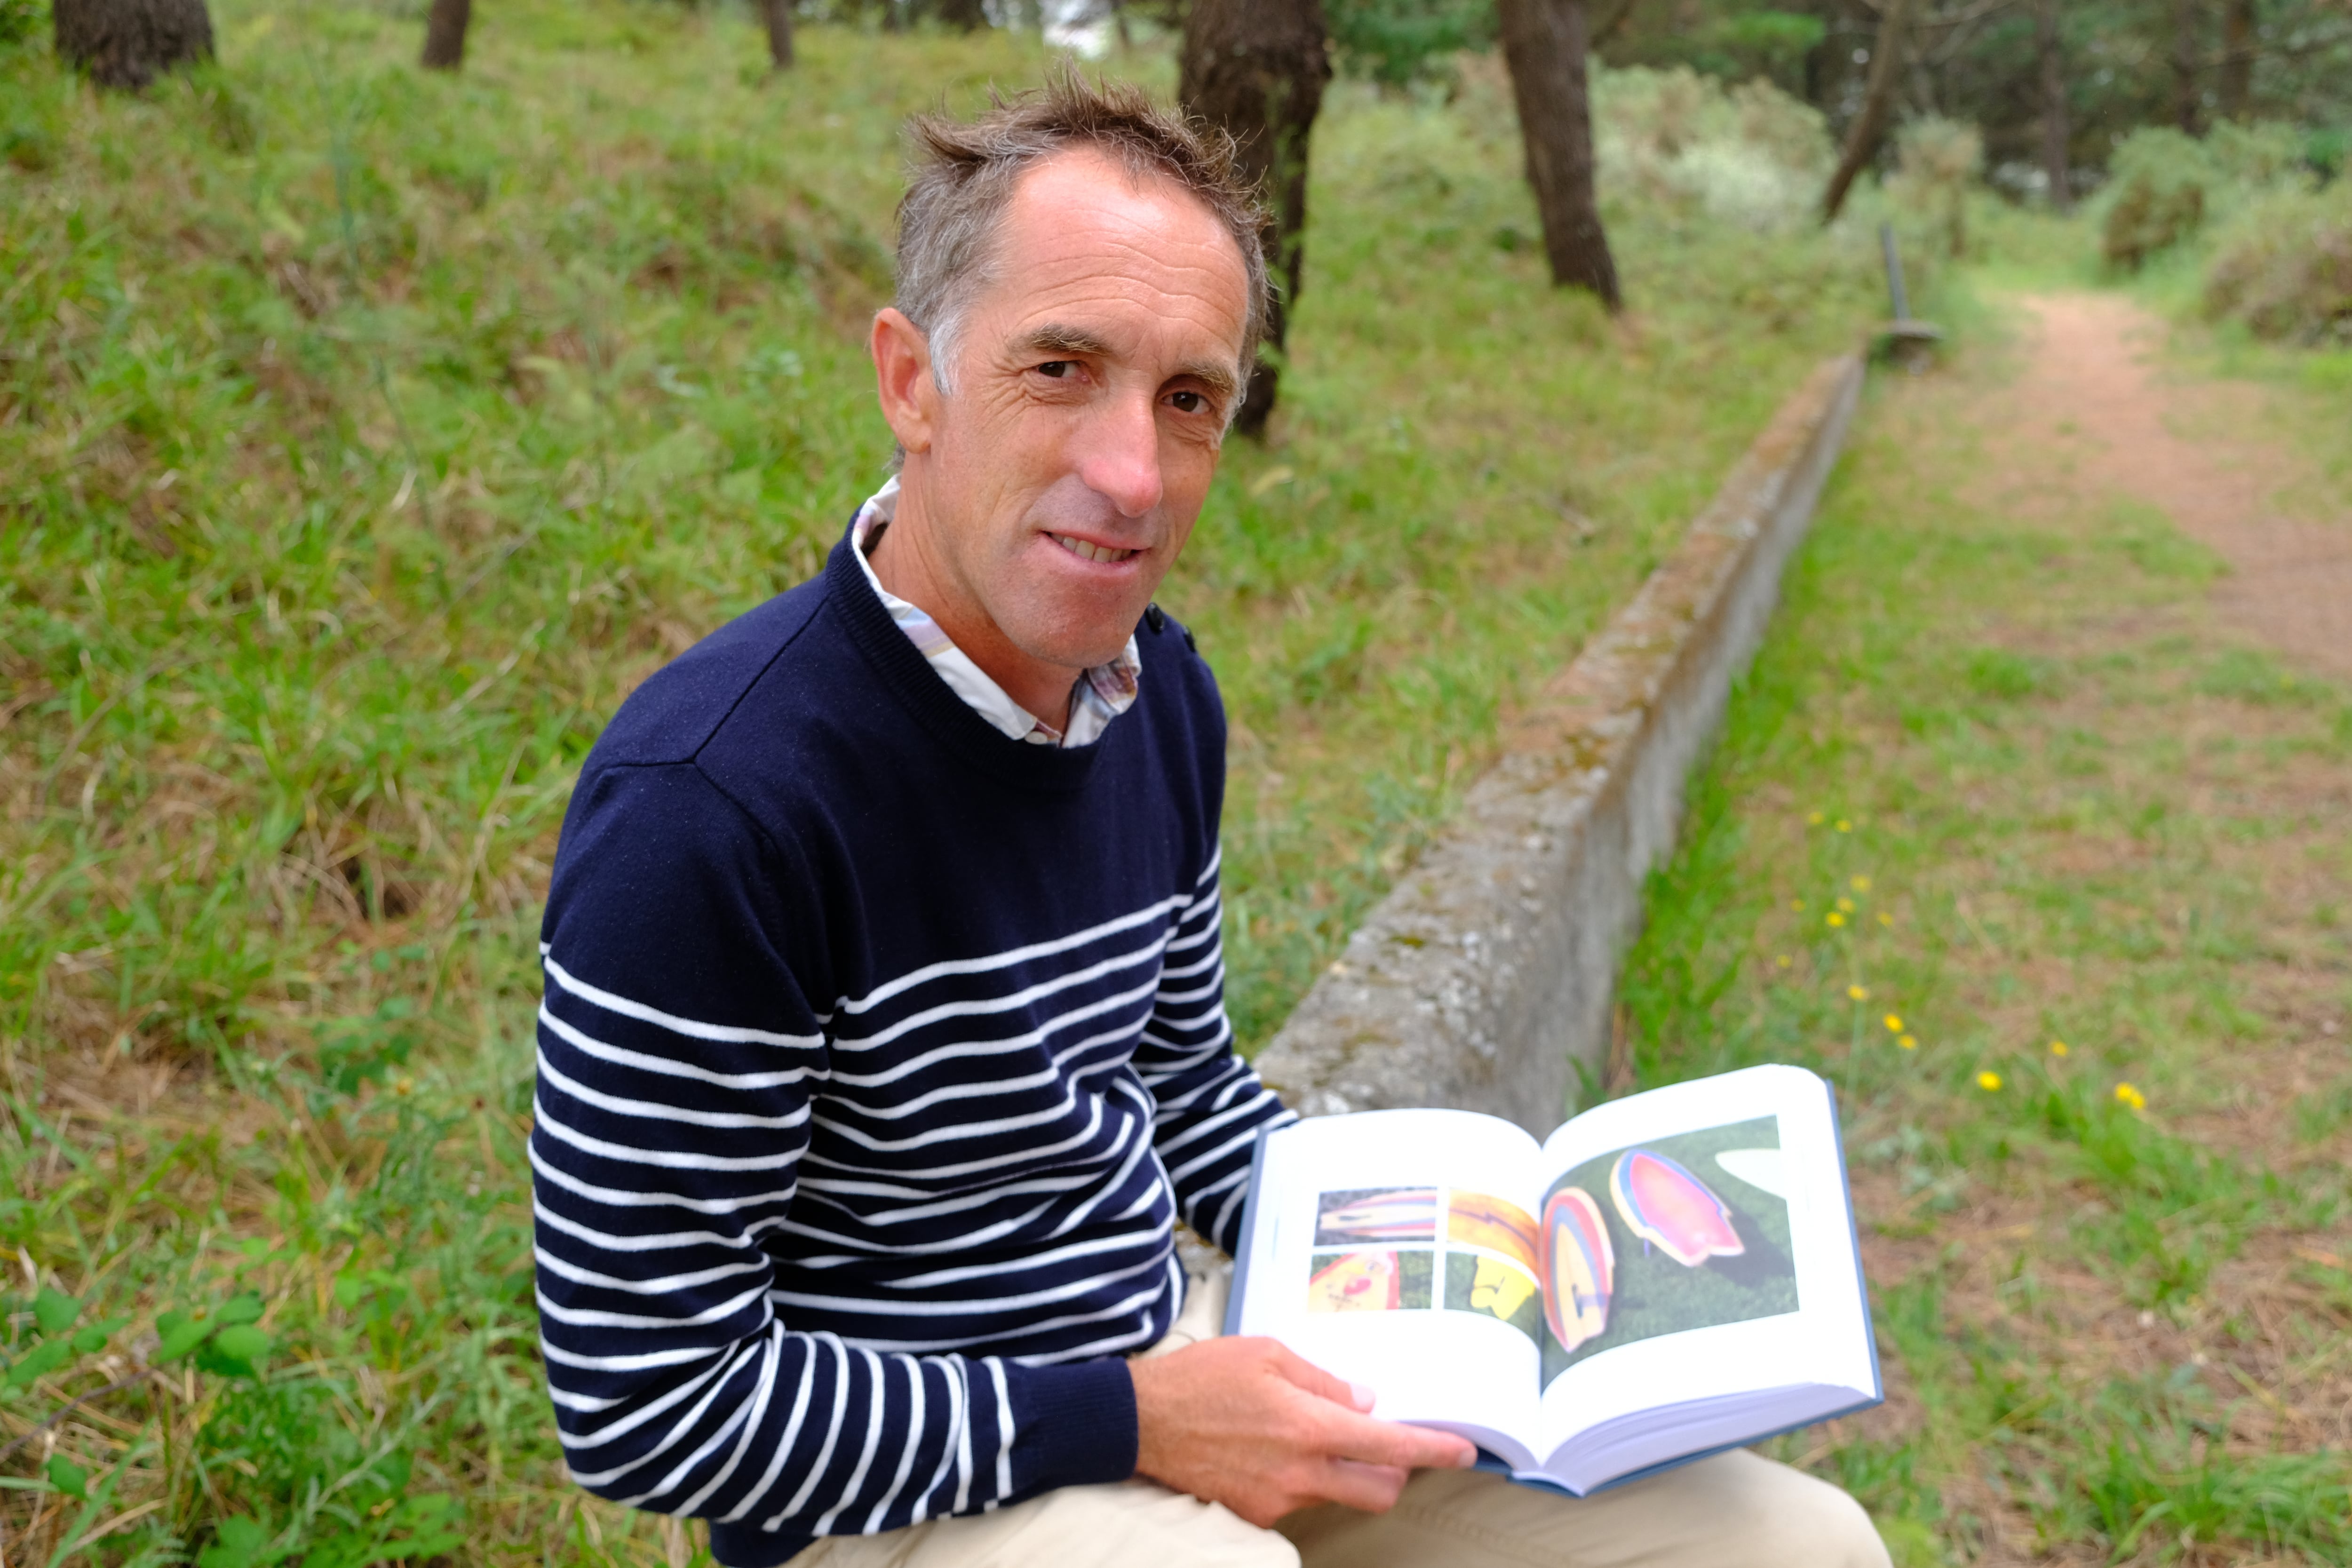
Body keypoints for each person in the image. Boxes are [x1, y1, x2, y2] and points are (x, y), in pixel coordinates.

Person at [530, 71, 1891, 1568]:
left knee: (1786, 1542)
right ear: (911, 381)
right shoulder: (709, 805)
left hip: (1169, 1353)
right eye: (1062, 368)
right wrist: (1138, 1423)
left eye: (1190, 401)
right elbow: (643, 1400)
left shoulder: (1156, 694)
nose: (1133, 476)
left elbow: (1191, 1104)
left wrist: (1505, 1279)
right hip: (889, 1509)